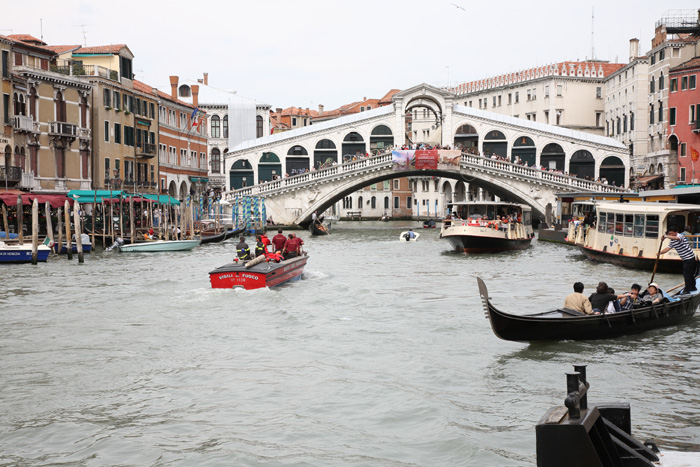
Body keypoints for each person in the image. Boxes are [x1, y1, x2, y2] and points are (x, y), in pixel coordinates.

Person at [660, 228, 698, 293]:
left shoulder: (680, 236)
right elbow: (667, 248)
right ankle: (693, 287)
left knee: (687, 274)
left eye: (672, 233)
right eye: (669, 234)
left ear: (676, 232)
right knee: (689, 274)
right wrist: (660, 253)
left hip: (690, 258)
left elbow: (677, 239)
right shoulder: (672, 241)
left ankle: (687, 289)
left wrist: (666, 236)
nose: (671, 235)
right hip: (685, 259)